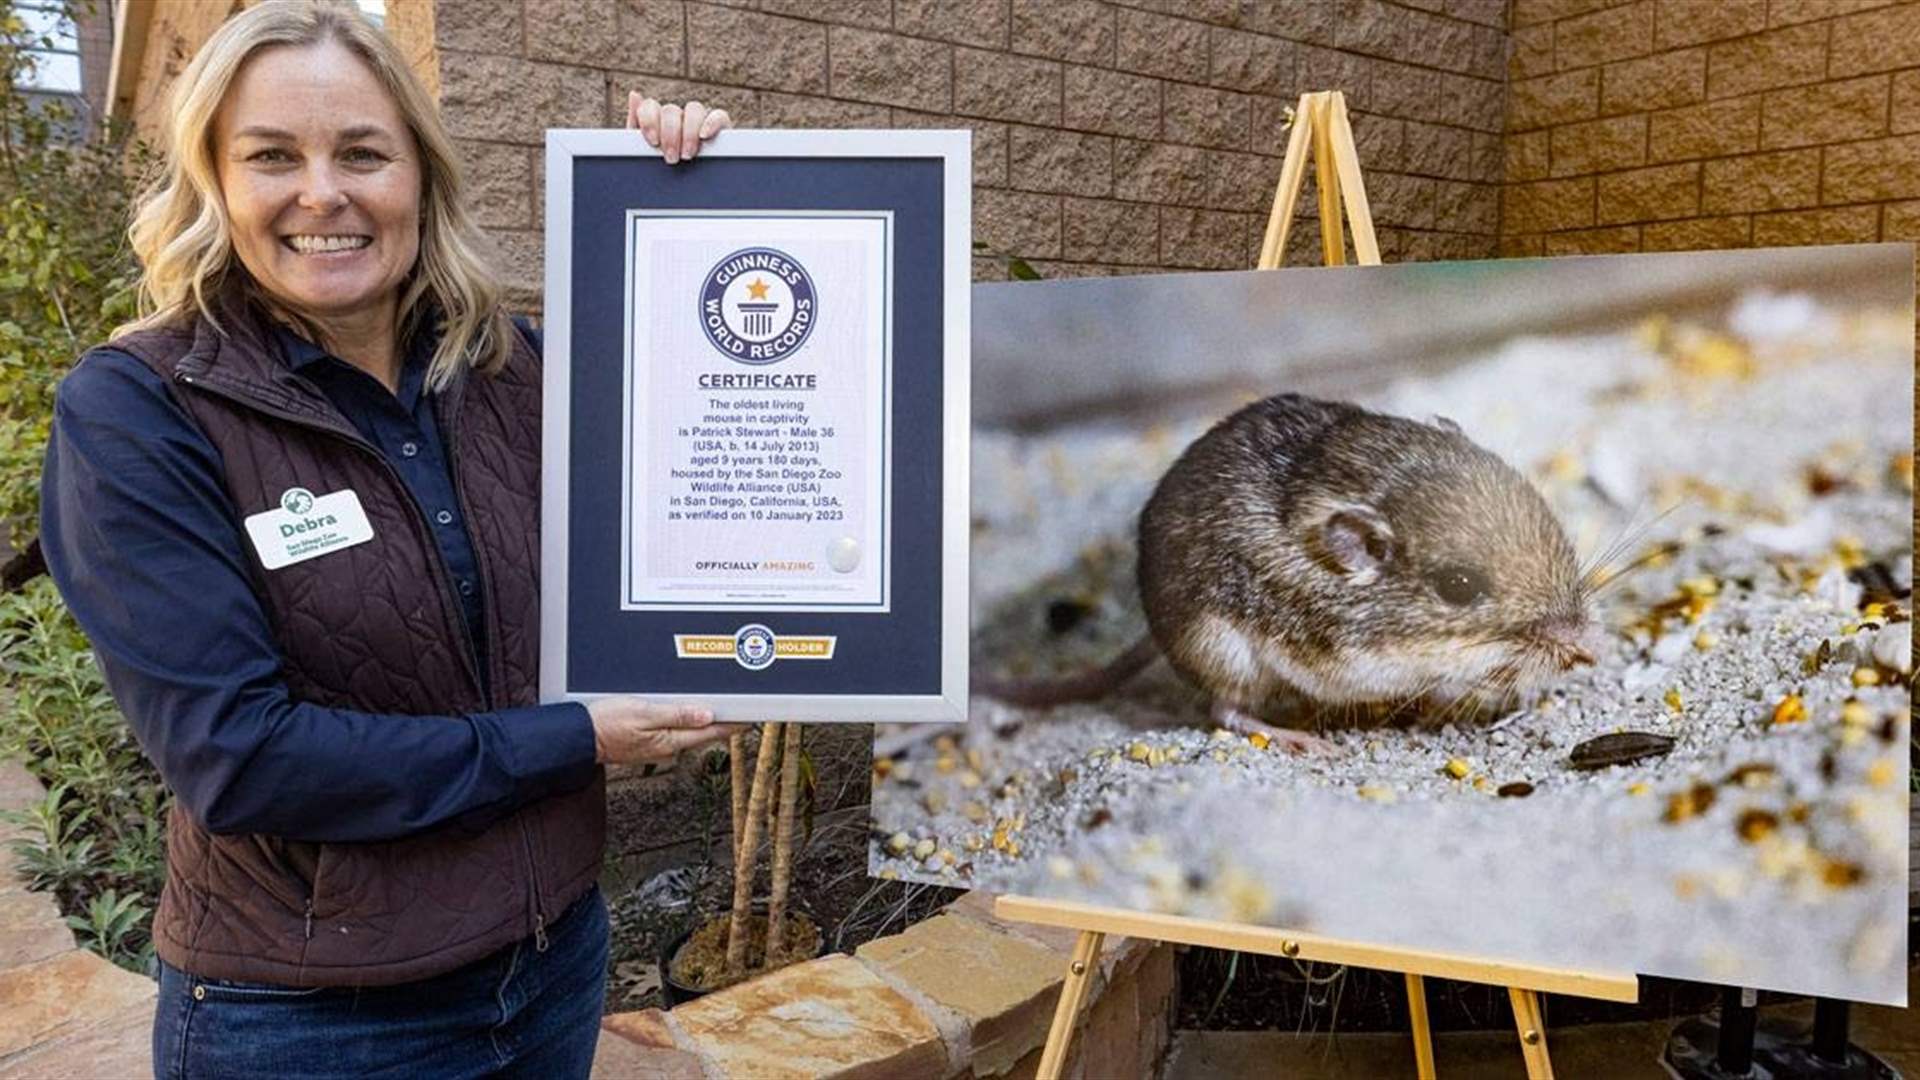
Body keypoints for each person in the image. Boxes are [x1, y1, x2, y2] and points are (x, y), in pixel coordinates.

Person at [37, 2, 736, 1075]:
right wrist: (575, 736)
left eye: (363, 152)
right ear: (215, 181)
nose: (324, 193)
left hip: (550, 967)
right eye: (273, 155)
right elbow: (241, 756)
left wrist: (697, 196)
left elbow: (718, 423)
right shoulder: (142, 410)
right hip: (311, 1019)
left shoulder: (522, 372)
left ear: (420, 176)